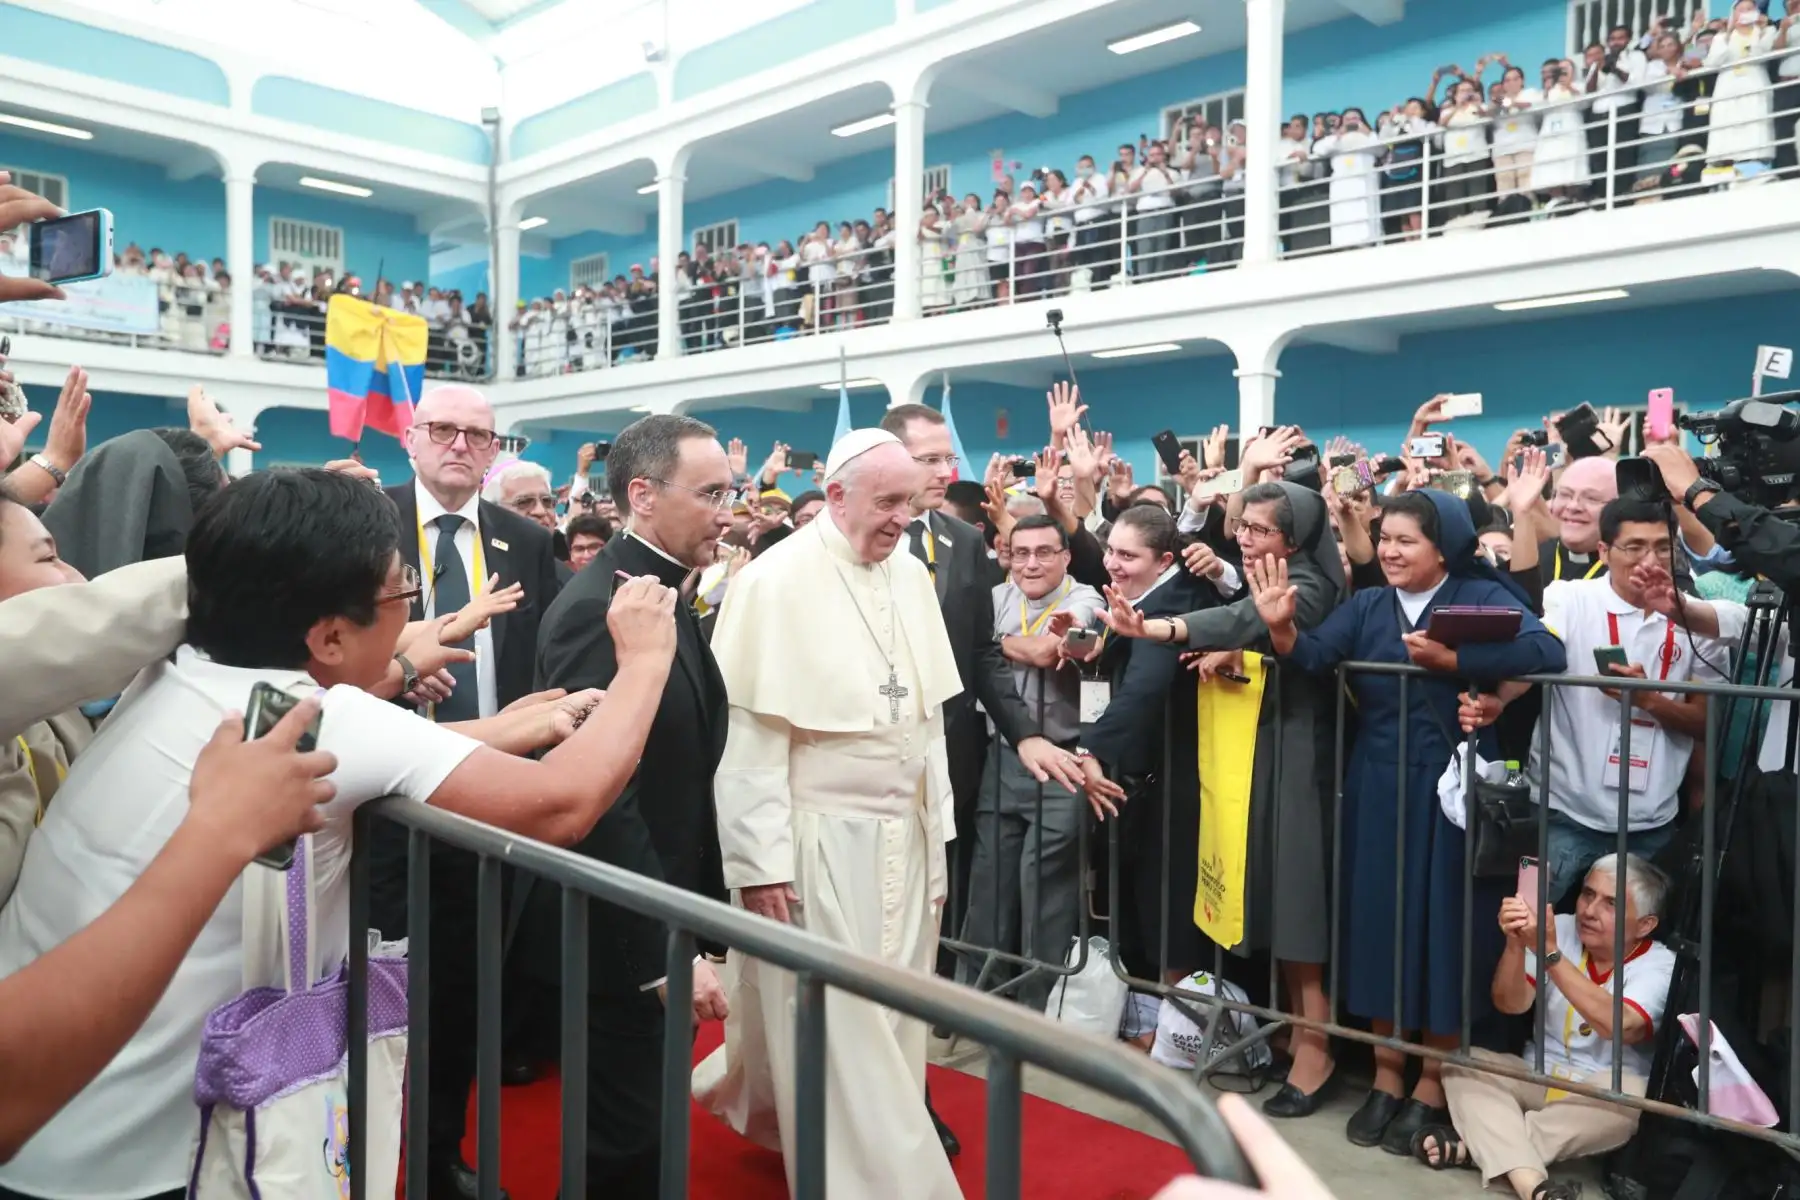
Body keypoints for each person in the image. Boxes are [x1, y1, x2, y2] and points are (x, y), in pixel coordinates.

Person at [0, 468, 674, 1200]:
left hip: (55, 1140)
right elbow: (564, 802)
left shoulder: (176, 673)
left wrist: (493, 730)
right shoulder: (328, 718)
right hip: (153, 1168)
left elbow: (356, 735)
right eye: (402, 593)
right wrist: (642, 661)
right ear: (326, 634)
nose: (410, 612)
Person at [1248, 490, 1566, 1155]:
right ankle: (1387, 1073)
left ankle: (1432, 1080)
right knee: (1382, 929)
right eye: (1383, 538)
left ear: (1442, 545)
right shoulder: (1367, 605)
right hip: (1377, 786)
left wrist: (1459, 664)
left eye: (1405, 541)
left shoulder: (1475, 598)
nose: (1388, 551)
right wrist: (1281, 630)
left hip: (1446, 793)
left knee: (1442, 932)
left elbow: (1546, 651)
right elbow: (1311, 657)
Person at [692, 428, 963, 1200]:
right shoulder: (775, 581)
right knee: (838, 1019)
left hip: (903, 841)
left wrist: (936, 833)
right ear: (836, 495)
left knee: (895, 1014)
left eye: (909, 503)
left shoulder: (909, 574)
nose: (902, 520)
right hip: (818, 839)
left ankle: (876, 1154)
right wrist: (758, 864)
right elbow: (750, 740)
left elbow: (926, 721)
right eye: (888, 502)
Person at [532, 415, 736, 1196]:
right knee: (624, 1147)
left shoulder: (656, 589)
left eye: (731, 490)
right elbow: (604, 793)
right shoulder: (601, 607)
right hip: (620, 929)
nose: (727, 509)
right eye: (711, 492)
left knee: (646, 1135)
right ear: (642, 495)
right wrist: (662, 954)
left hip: (655, 904)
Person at [372, 383, 565, 1196]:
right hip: (378, 795)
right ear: (410, 438)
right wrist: (393, 681)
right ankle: (365, 1150)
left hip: (488, 795)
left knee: (460, 991)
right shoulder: (365, 521)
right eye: (443, 430)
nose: (460, 445)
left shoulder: (524, 539)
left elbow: (546, 663)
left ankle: (438, 1150)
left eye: (477, 436)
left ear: (494, 452)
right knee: (371, 991)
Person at [1100, 482, 1345, 1115]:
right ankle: (1293, 1029)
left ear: (1295, 538)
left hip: (1299, 757)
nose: (1245, 538)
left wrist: (1159, 626)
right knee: (1270, 896)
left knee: (1298, 903)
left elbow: (1245, 619)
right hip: (1259, 755)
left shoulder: (1310, 582)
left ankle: (1317, 1049)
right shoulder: (1266, 571)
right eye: (1243, 527)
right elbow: (1243, 624)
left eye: (1262, 531)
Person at [1467, 499, 1729, 902]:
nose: (1651, 559)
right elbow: (1538, 656)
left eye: (1663, 546)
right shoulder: (1569, 598)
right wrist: (1499, 699)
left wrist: (1648, 700)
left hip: (1652, 822)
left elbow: (1708, 721)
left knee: (1634, 944)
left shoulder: (1694, 617)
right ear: (1604, 552)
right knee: (1528, 931)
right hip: (1561, 813)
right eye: (1635, 546)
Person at [1423, 856, 1674, 1200]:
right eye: (1588, 894)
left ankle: (1484, 1151)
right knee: (1461, 1061)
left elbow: (1619, 1026)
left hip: (1600, 1092)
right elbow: (1511, 1004)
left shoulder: (1661, 963)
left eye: (1611, 903)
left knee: (1634, 1096)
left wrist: (1550, 953)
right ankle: (1534, 1186)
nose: (1589, 910)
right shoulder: (1562, 927)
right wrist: (1515, 943)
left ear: (1645, 925)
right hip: (1537, 1074)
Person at [1075, 504, 1212, 1041]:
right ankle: (1155, 1022)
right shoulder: (1137, 596)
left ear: (1166, 560)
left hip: (1168, 779)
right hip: (1140, 777)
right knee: (1142, 907)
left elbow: (1144, 690)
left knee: (1169, 908)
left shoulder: (1172, 603)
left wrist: (1090, 750)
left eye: (1128, 555)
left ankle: (1179, 1035)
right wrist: (1083, 647)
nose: (1113, 563)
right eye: (1111, 550)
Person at [956, 514, 1103, 1010]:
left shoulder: (1085, 599)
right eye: (1021, 553)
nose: (1032, 563)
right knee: (988, 884)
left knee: (1047, 891)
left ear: (1065, 556)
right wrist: (1005, 647)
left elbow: (1054, 650)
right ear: (1007, 556)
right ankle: (970, 1002)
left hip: (1063, 763)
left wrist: (995, 648)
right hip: (1002, 757)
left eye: (1044, 552)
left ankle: (1035, 1010)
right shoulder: (996, 599)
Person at [1705, 0, 1780, 167]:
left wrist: (1758, 31)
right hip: (1727, 86)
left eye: (1750, 9)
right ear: (1734, 14)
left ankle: (1754, 167)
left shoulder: (1767, 31)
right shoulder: (1721, 37)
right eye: (1741, 10)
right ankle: (1724, 165)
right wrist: (1728, 33)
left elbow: (1762, 54)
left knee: (1754, 127)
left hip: (1754, 83)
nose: (1745, 13)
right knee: (1726, 127)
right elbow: (1713, 62)